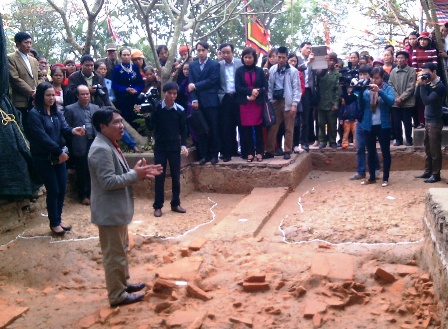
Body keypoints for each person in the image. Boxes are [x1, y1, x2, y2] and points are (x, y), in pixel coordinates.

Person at [88, 108, 163, 307]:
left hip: (115, 211)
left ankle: (123, 284)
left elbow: (116, 175)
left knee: (120, 251)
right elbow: (107, 182)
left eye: (122, 122)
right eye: (116, 123)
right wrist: (135, 175)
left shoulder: (109, 144)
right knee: (113, 256)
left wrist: (136, 172)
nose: (121, 126)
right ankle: (117, 295)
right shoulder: (101, 149)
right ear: (103, 127)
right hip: (109, 212)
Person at [27, 82, 85, 235]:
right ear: (41, 96)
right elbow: (41, 138)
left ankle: (57, 220)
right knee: (53, 189)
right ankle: (54, 223)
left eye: (53, 95)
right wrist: (59, 151)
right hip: (44, 158)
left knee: (62, 189)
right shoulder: (34, 114)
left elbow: (64, 128)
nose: (51, 98)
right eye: (48, 95)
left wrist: (73, 130)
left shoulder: (57, 111)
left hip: (59, 156)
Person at [144, 82, 188, 217]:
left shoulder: (180, 110)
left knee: (176, 176)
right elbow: (151, 127)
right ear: (165, 93)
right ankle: (158, 206)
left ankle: (175, 203)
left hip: (174, 147)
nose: (172, 96)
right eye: (170, 93)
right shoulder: (157, 108)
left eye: (175, 93)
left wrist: (183, 145)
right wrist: (146, 116)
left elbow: (184, 129)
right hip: (160, 147)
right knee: (159, 176)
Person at [64, 85, 100, 205]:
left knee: (94, 168)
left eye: (87, 94)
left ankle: (94, 193)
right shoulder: (70, 109)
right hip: (79, 142)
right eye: (83, 94)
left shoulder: (95, 108)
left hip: (94, 141)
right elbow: (66, 128)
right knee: (82, 169)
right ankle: (83, 195)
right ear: (77, 96)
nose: (85, 96)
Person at [359, 67, 395, 187]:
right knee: (370, 151)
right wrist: (358, 91)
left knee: (385, 152)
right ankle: (372, 177)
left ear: (382, 78)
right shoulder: (366, 91)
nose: (374, 80)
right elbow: (361, 107)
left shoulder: (388, 88)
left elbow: (391, 101)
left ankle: (385, 178)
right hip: (369, 125)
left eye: (377, 78)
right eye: (372, 78)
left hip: (383, 125)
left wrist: (380, 91)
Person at [265, 46, 301, 160]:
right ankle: (270, 151)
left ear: (287, 58)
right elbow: (270, 86)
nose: (281, 59)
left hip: (288, 100)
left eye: (283, 57)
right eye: (279, 57)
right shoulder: (272, 69)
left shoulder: (293, 71)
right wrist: (270, 100)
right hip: (275, 100)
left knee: (289, 127)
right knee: (273, 126)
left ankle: (287, 150)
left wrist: (295, 104)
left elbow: (297, 88)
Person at [188, 41, 221, 165]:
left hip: (211, 101)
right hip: (198, 102)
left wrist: (196, 86)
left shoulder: (214, 65)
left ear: (207, 51)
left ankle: (214, 155)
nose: (201, 53)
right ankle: (204, 155)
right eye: (198, 50)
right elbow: (190, 85)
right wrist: (194, 99)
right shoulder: (193, 65)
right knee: (201, 129)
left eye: (203, 50)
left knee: (213, 128)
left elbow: (212, 81)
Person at [415, 62, 447, 183]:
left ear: (434, 72)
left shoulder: (440, 87)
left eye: (427, 73)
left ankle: (436, 174)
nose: (425, 75)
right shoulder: (427, 84)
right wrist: (420, 83)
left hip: (435, 121)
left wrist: (423, 86)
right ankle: (428, 171)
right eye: (423, 73)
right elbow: (417, 95)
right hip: (427, 119)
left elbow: (427, 101)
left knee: (434, 148)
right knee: (427, 147)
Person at [8, 32, 44, 135]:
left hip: (36, 100)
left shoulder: (33, 60)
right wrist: (31, 92)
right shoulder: (11, 58)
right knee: (24, 129)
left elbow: (40, 76)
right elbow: (14, 79)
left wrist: (38, 90)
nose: (29, 45)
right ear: (18, 43)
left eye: (30, 42)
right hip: (21, 101)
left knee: (36, 130)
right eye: (26, 42)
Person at [235, 47, 267, 162]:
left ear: (254, 58)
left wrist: (257, 92)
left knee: (258, 128)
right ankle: (249, 152)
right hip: (245, 104)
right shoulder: (239, 71)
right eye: (246, 57)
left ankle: (259, 151)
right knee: (246, 129)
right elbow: (238, 87)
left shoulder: (259, 71)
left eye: (250, 57)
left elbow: (265, 87)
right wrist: (249, 92)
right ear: (243, 58)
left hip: (257, 103)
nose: (248, 59)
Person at [350, 65, 380, 180]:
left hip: (370, 121)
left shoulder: (372, 89)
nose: (362, 77)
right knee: (360, 147)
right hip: (360, 120)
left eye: (365, 74)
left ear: (370, 76)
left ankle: (376, 169)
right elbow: (350, 100)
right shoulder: (358, 88)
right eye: (360, 74)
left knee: (371, 147)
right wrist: (348, 88)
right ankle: (361, 171)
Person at [218, 43, 243, 162]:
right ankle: (227, 153)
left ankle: (242, 151)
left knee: (241, 124)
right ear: (221, 53)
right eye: (223, 52)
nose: (226, 55)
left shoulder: (240, 63)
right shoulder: (218, 66)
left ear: (233, 52)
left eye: (228, 52)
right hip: (225, 98)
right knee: (226, 126)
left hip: (238, 97)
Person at [112, 48, 144, 130]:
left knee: (137, 118)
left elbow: (140, 83)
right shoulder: (117, 69)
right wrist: (125, 89)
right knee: (126, 119)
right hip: (123, 100)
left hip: (135, 99)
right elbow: (114, 85)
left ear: (130, 56)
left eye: (128, 55)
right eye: (124, 55)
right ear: (120, 56)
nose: (126, 57)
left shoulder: (135, 68)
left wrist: (136, 89)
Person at [388, 51, 416, 146]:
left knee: (407, 122)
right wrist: (396, 98)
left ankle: (408, 139)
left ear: (406, 59)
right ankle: (398, 139)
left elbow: (411, 86)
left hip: (407, 102)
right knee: (396, 122)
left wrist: (402, 98)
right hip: (395, 103)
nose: (399, 60)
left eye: (402, 58)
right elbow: (390, 85)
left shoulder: (412, 71)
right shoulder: (393, 71)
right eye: (398, 57)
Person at [316, 52, 341, 149]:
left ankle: (332, 140)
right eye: (328, 60)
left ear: (335, 62)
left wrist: (336, 103)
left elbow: (338, 90)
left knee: (332, 123)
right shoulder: (321, 72)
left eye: (332, 60)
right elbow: (316, 83)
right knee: (321, 123)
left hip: (331, 103)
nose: (330, 62)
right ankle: (322, 140)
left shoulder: (337, 74)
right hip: (321, 102)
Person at [297, 41, 316, 150]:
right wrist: (308, 62)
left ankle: (306, 141)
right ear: (301, 49)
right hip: (299, 90)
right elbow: (297, 69)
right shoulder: (297, 58)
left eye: (310, 48)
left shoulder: (312, 60)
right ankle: (300, 141)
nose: (309, 50)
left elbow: (318, 72)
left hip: (309, 90)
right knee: (300, 117)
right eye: (307, 48)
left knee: (307, 117)